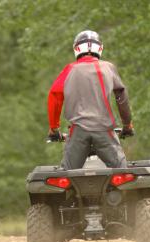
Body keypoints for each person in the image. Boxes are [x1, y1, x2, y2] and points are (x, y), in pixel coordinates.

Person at [47, 30, 134, 170]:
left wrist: (54, 128)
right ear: (100, 48)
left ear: (76, 48)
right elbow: (121, 96)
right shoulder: (108, 67)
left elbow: (54, 97)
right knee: (123, 174)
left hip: (78, 132)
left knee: (66, 178)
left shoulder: (69, 69)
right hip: (104, 130)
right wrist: (127, 125)